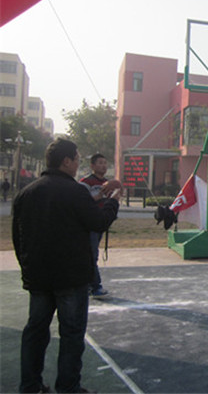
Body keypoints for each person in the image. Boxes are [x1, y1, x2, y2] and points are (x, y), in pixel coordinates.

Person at [12, 138, 120, 393]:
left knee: (35, 331)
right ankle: (68, 387)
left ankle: (30, 386)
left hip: (38, 277)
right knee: (71, 335)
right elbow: (98, 222)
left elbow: (17, 237)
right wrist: (113, 201)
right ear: (66, 161)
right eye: (77, 159)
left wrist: (27, 268)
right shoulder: (75, 192)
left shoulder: (27, 193)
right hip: (71, 278)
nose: (78, 164)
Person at [80, 153, 110, 299]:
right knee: (91, 254)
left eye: (105, 163)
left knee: (92, 254)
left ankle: (87, 284)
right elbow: (81, 202)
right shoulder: (85, 182)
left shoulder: (108, 183)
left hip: (100, 223)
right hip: (89, 223)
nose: (103, 166)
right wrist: (98, 197)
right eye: (100, 163)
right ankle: (95, 286)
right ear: (92, 166)